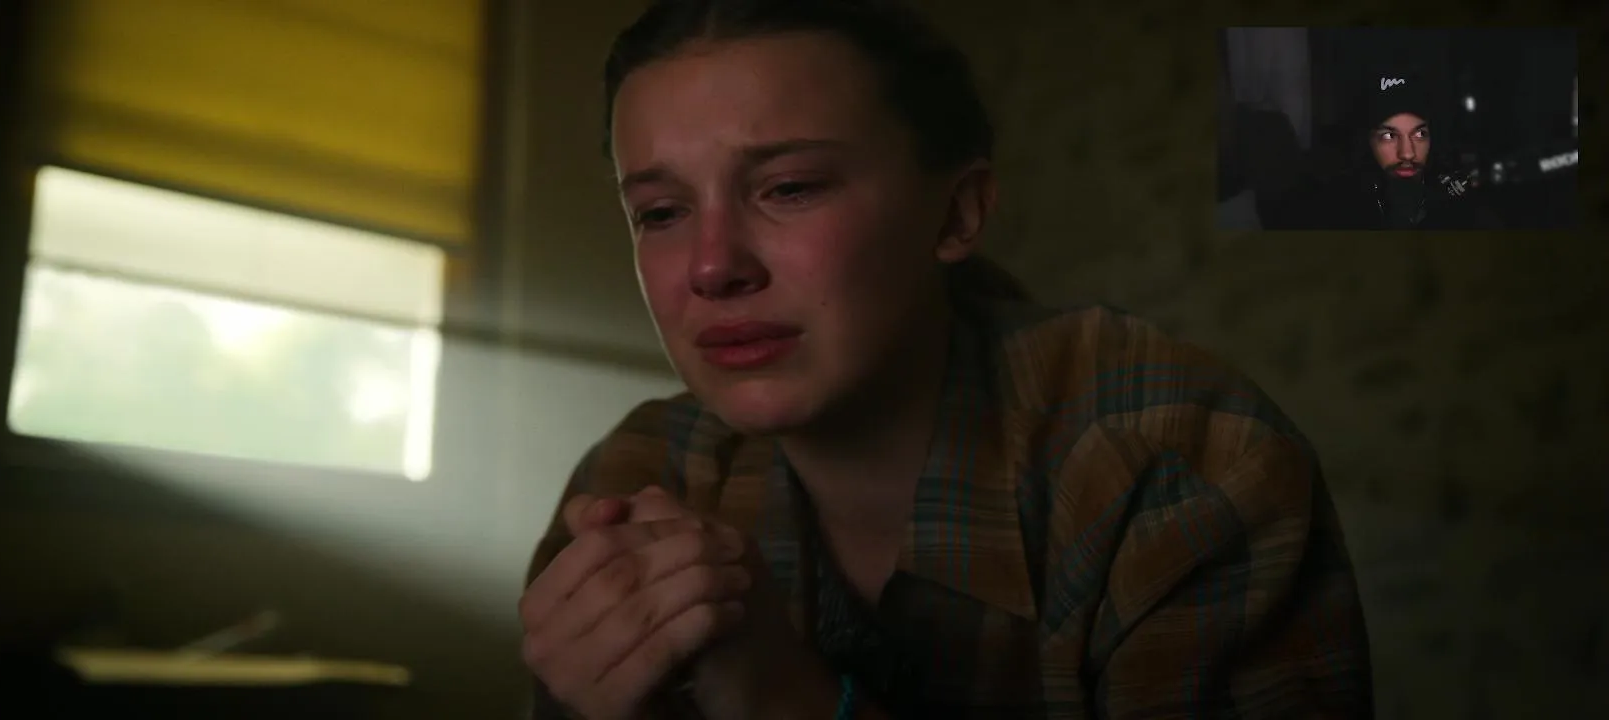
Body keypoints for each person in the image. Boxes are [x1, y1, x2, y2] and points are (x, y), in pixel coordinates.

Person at [518, 1, 1373, 718]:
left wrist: (786, 701)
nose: (712, 267)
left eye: (789, 188)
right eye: (660, 213)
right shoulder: (640, 481)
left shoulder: (1178, 469)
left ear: (958, 214)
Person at [1300, 65, 1490, 230]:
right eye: (1389, 136)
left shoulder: (1461, 209)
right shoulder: (1333, 211)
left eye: (1419, 134)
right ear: (1366, 141)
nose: (1407, 153)